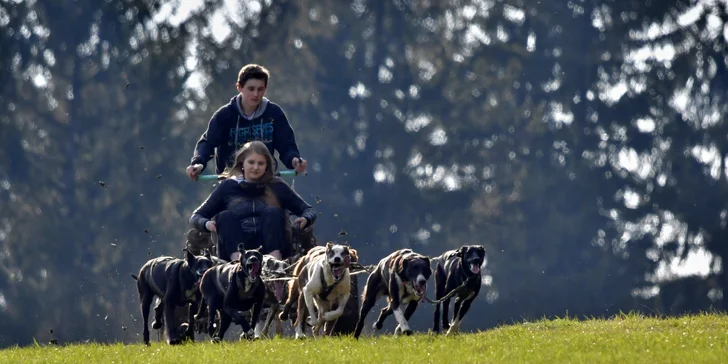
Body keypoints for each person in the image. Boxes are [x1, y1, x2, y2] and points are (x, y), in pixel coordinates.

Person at [189, 141, 317, 261]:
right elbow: (196, 216)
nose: (255, 167)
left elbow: (308, 210)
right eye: (251, 162)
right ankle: (237, 264)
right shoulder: (227, 187)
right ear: (242, 164)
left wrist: (306, 219)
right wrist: (207, 224)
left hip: (271, 251)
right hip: (237, 251)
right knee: (224, 217)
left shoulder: (277, 186)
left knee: (273, 213)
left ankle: (274, 263)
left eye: (261, 163)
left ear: (267, 166)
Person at [186, 64, 308, 180]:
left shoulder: (274, 113)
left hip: (265, 180)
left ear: (265, 89)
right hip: (231, 181)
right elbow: (207, 143)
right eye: (251, 89)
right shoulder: (224, 116)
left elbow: (286, 145)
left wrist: (294, 160)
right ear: (239, 87)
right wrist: (198, 164)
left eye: (260, 89)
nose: (256, 94)